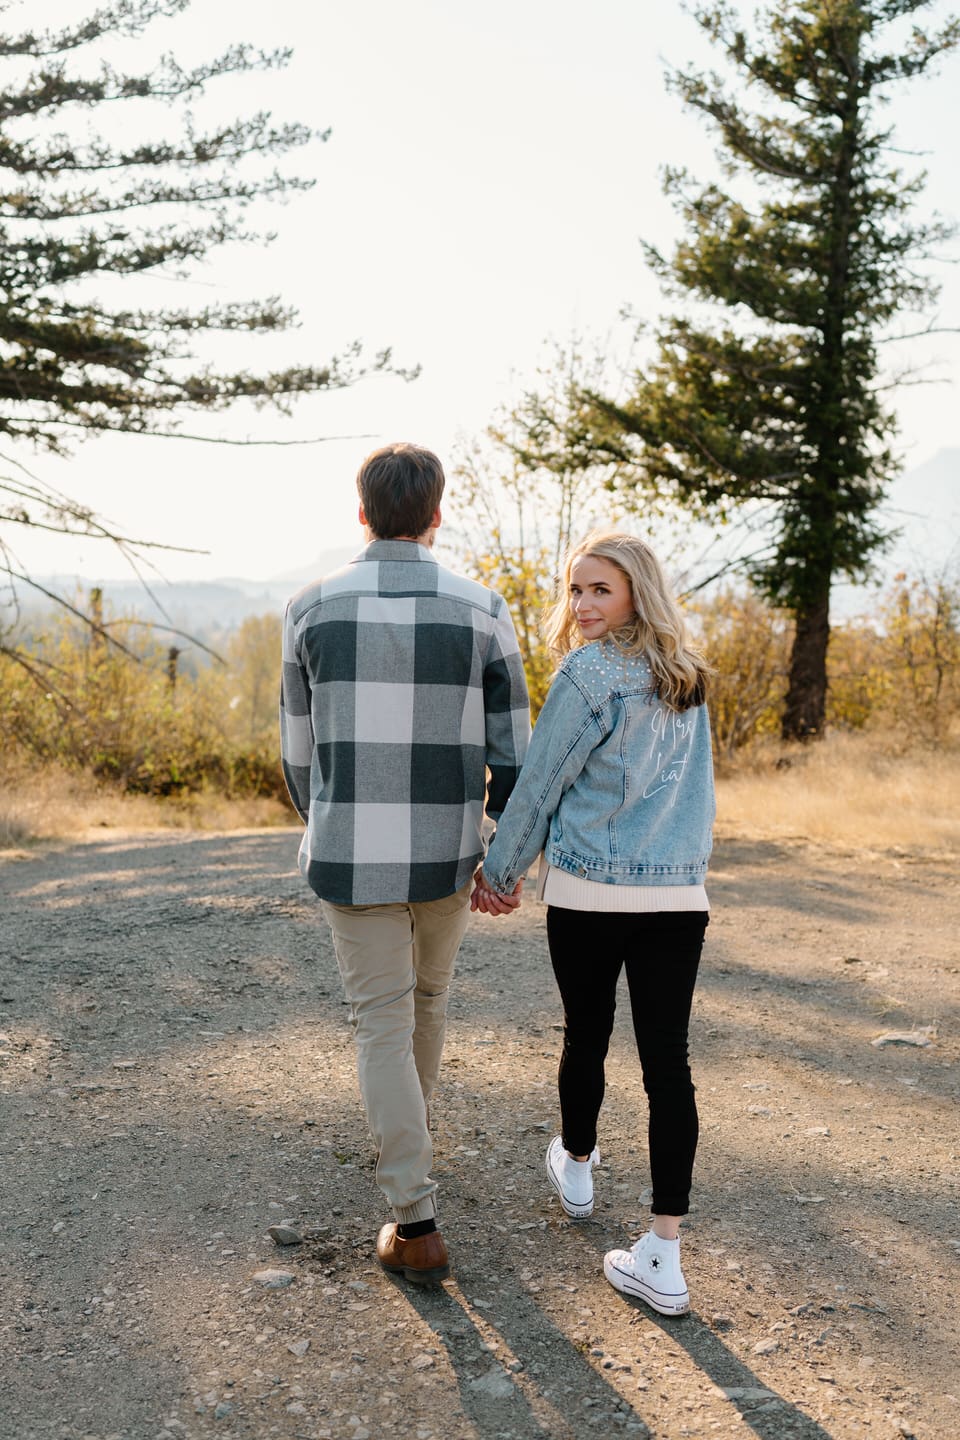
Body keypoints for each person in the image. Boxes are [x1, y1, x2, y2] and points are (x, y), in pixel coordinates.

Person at [280, 442, 529, 1284]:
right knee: (427, 1001)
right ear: (435, 515)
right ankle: (412, 1173)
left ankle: (414, 1215)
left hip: (350, 854)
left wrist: (330, 821)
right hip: (448, 853)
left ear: (362, 513)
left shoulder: (310, 607)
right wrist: (501, 845)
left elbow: (297, 755)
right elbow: (513, 754)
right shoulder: (484, 608)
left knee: (381, 1019)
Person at [474, 529, 715, 1317]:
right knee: (667, 1066)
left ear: (636, 594)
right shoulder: (688, 678)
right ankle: (664, 1254)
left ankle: (576, 1164)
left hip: (589, 892)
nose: (581, 606)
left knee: (586, 1033)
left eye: (598, 591)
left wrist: (499, 873)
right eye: (574, 590)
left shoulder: (588, 673)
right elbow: (695, 798)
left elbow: (541, 786)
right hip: (678, 899)